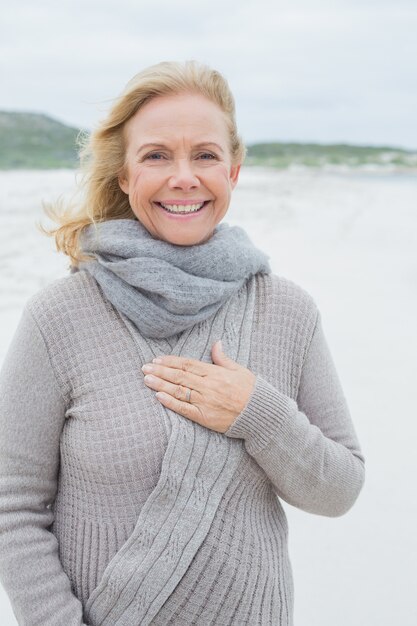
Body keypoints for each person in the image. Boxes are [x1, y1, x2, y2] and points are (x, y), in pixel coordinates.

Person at [0, 60, 365, 626]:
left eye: (205, 155)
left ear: (234, 170)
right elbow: (13, 508)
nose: (183, 177)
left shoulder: (288, 311)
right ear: (123, 175)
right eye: (156, 155)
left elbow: (339, 490)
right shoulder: (59, 317)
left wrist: (258, 414)